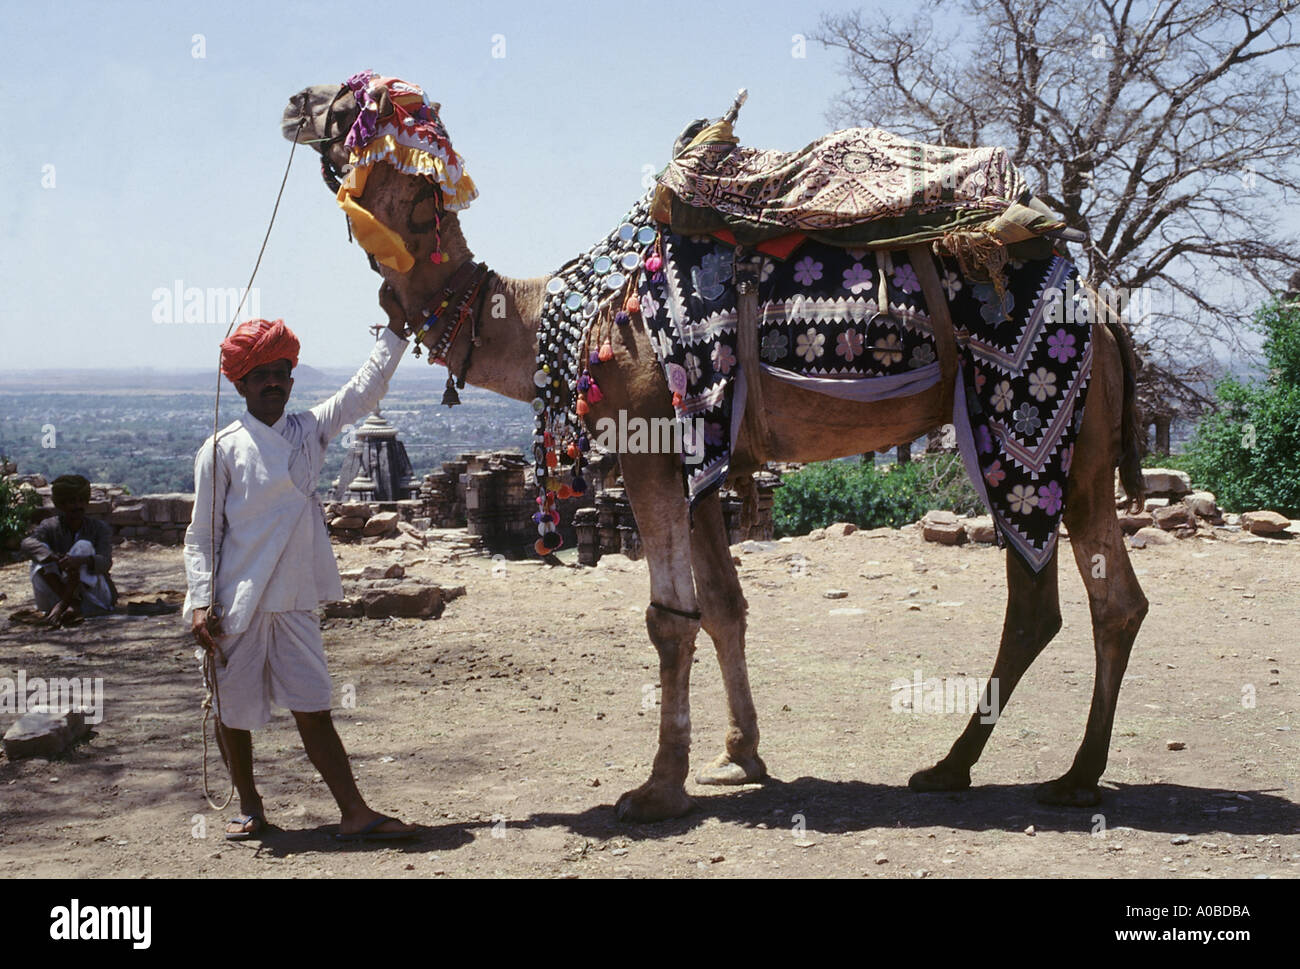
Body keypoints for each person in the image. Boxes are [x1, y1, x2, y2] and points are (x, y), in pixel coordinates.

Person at [183, 316, 418, 842]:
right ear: (240, 384)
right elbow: (201, 537)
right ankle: (249, 806)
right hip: (236, 601)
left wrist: (394, 333)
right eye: (260, 375)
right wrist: (201, 601)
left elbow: (363, 392)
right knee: (232, 710)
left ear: (291, 380)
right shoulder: (220, 449)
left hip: (293, 599)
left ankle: (354, 812)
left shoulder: (310, 429)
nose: (272, 383)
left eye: (281, 373)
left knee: (313, 707)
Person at [22, 474, 117, 627]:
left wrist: (81, 561)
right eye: (71, 502)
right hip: (56, 593)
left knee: (83, 547)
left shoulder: (99, 528)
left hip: (94, 596)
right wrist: (54, 558)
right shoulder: (50, 526)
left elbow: (105, 563)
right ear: (61, 504)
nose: (77, 506)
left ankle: (68, 604)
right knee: (39, 557)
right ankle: (70, 602)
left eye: (81, 501)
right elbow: (27, 543)